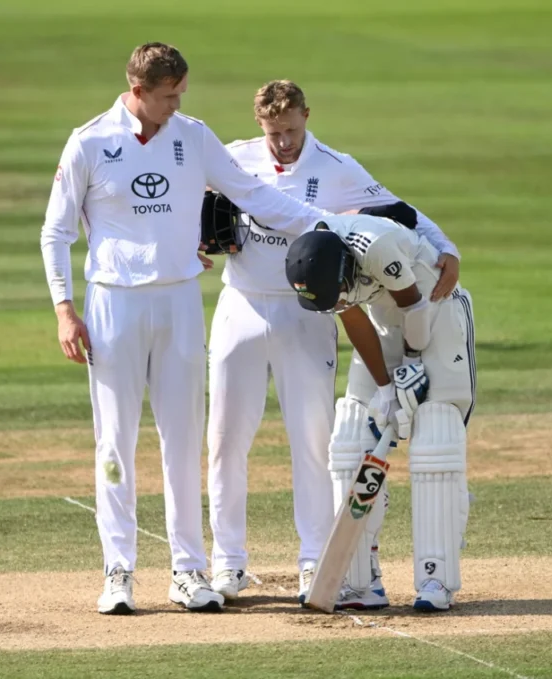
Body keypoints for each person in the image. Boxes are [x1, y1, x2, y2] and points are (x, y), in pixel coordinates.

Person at [40, 44, 333, 615]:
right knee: (114, 445)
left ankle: (188, 571)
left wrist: (328, 225)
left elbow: (254, 195)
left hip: (178, 303)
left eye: (181, 93)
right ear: (139, 89)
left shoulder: (192, 136)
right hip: (113, 305)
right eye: (169, 95)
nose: (178, 104)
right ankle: (118, 572)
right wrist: (64, 309)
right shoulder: (90, 141)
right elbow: (55, 233)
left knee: (182, 444)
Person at [205, 80, 461, 609]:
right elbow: (191, 204)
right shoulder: (234, 158)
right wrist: (196, 241)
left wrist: (445, 248)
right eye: (274, 133)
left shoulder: (336, 166)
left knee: (314, 441)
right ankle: (227, 563)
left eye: (292, 130)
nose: (283, 143)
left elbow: (399, 210)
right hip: (241, 305)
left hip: (308, 312)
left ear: (306, 117)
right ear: (260, 124)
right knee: (226, 439)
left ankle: (313, 562)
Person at [285, 214, 475, 611]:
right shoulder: (317, 263)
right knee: (352, 436)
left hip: (436, 316)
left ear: (343, 267)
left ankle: (435, 578)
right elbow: (354, 320)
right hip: (387, 324)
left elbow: (416, 309)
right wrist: (387, 389)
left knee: (435, 434)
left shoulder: (375, 246)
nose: (336, 298)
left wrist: (410, 368)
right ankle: (358, 582)